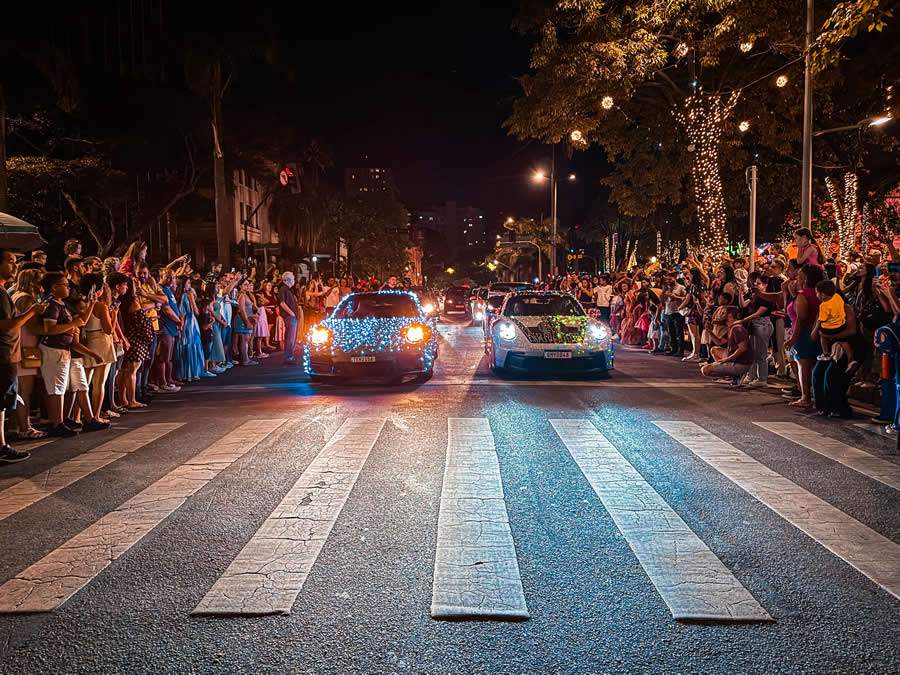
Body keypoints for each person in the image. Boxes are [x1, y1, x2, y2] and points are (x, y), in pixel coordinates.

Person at [38, 272, 107, 435]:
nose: (68, 287)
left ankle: (61, 420)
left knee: (61, 387)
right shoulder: (52, 306)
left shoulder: (61, 304)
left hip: (63, 349)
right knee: (56, 388)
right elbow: (50, 329)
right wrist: (72, 324)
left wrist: (90, 305)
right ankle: (56, 423)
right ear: (54, 288)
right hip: (53, 349)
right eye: (65, 285)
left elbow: (81, 320)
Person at [0, 251, 48, 462]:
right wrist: (32, 312)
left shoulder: (5, 293)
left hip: (10, 352)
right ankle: (4, 443)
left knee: (5, 401)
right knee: (4, 400)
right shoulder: (3, 294)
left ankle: (2, 443)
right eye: (10, 262)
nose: (14, 266)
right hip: (4, 353)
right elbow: (7, 325)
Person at [11, 268, 47, 440]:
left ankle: (19, 425)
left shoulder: (16, 295)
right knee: (25, 391)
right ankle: (24, 427)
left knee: (19, 390)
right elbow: (33, 326)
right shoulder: (26, 299)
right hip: (26, 348)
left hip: (21, 346)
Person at [784, 264, 825, 409]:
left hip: (804, 333)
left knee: (804, 366)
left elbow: (801, 318)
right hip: (820, 333)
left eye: (800, 274)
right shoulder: (820, 292)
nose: (797, 276)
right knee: (815, 365)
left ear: (806, 277)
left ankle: (805, 397)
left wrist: (794, 337)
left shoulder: (804, 294)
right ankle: (816, 396)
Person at [78, 273, 117, 424]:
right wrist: (114, 314)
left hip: (87, 341)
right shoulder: (101, 306)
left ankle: (80, 414)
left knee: (84, 383)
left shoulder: (80, 303)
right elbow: (108, 329)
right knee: (99, 383)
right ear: (98, 289)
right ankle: (95, 415)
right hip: (101, 341)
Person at [736, 273, 776, 387]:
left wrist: (742, 320)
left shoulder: (767, 298)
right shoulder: (755, 295)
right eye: (755, 283)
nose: (756, 285)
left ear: (765, 285)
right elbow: (743, 305)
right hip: (754, 326)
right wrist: (740, 293)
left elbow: (758, 314)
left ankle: (762, 378)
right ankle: (751, 376)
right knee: (753, 352)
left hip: (763, 325)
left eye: (759, 283)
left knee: (761, 353)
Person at [700, 306, 753, 385]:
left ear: (730, 315)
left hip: (741, 364)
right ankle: (730, 376)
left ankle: (735, 376)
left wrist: (727, 359)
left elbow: (743, 348)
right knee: (714, 349)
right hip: (735, 359)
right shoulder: (731, 327)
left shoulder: (737, 328)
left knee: (705, 370)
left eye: (723, 313)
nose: (719, 315)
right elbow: (719, 342)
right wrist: (709, 331)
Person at [814, 279, 856, 372]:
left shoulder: (823, 306)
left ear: (823, 295)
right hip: (841, 325)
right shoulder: (837, 296)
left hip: (829, 329)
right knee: (844, 343)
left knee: (822, 337)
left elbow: (822, 319)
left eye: (817, 293)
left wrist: (818, 328)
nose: (816, 295)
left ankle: (825, 353)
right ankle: (851, 359)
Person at [154, 269, 183, 392]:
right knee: (164, 356)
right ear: (161, 276)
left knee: (170, 356)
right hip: (165, 326)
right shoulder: (160, 289)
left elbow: (174, 307)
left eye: (173, 277)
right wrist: (178, 321)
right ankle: (162, 382)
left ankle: (169, 379)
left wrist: (179, 319)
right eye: (168, 277)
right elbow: (166, 310)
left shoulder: (169, 290)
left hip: (173, 326)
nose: (171, 280)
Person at [175, 276, 207, 380]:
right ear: (184, 285)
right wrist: (193, 296)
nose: (190, 285)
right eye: (188, 283)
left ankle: (184, 372)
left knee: (184, 344)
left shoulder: (179, 295)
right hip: (190, 322)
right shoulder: (188, 295)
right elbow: (196, 311)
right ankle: (193, 372)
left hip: (182, 321)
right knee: (193, 344)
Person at [279, 272, 301, 363]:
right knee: (290, 337)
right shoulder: (283, 289)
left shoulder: (289, 290)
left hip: (293, 316)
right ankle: (288, 357)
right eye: (293, 279)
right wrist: (291, 313)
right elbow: (282, 303)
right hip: (290, 317)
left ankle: (290, 355)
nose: (294, 281)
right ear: (288, 280)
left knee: (292, 337)